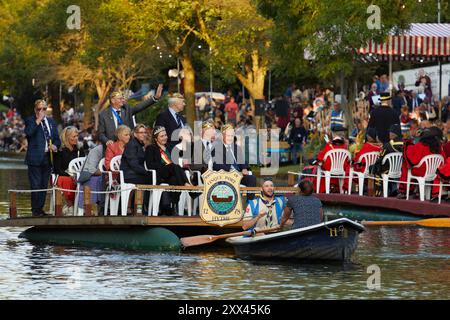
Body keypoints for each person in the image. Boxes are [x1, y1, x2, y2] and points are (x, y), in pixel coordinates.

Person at [24, 99, 61, 217]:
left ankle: (40, 209)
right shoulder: (30, 120)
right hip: (35, 158)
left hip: (47, 157)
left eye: (44, 109)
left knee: (44, 185)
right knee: (35, 185)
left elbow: (57, 138)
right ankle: (35, 210)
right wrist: (38, 120)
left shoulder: (51, 121)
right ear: (35, 109)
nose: (42, 111)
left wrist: (55, 145)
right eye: (39, 109)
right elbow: (28, 133)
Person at [145, 126, 191, 215]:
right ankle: (187, 184)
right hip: (159, 174)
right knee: (174, 166)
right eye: (162, 136)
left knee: (175, 179)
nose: (165, 137)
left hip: (171, 174)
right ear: (155, 138)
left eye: (165, 135)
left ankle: (171, 206)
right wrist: (165, 165)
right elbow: (149, 164)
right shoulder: (151, 148)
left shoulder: (169, 147)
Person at [98, 84, 163, 147]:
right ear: (113, 100)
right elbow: (101, 134)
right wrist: (107, 141)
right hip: (112, 147)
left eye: (123, 98)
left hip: (128, 147)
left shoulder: (127, 109)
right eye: (120, 99)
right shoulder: (103, 114)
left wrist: (155, 98)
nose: (123, 100)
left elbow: (140, 106)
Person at [397, 127, 445, 199]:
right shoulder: (439, 147)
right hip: (435, 173)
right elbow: (443, 160)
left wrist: (409, 142)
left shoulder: (421, 145)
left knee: (406, 166)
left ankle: (405, 191)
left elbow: (412, 159)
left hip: (421, 172)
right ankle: (417, 191)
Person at [213, 123, 257, 200]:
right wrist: (232, 172)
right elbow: (217, 165)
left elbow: (243, 161)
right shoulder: (217, 149)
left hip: (239, 175)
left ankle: (250, 204)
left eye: (232, 136)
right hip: (227, 175)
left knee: (252, 178)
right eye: (228, 136)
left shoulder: (236, 148)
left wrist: (244, 168)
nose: (230, 138)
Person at [120, 124, 152, 213]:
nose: (143, 134)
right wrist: (145, 172)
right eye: (141, 132)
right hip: (129, 174)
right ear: (135, 134)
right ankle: (140, 207)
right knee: (149, 178)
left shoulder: (140, 145)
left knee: (153, 178)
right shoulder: (131, 145)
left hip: (135, 172)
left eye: (144, 132)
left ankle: (142, 207)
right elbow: (133, 164)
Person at [54, 126, 85, 215]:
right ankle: (70, 204)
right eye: (73, 136)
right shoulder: (60, 150)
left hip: (78, 175)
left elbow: (84, 164)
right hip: (63, 175)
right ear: (67, 137)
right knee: (66, 180)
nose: (76, 139)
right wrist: (70, 175)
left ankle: (82, 206)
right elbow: (57, 169)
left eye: (77, 136)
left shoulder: (79, 149)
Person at [370, 124, 404, 197]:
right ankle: (393, 189)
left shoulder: (388, 145)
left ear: (393, 134)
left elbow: (381, 157)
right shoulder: (405, 143)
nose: (389, 134)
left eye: (390, 132)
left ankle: (378, 192)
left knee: (376, 168)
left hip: (388, 170)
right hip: (401, 169)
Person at [77, 143, 104, 215]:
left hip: (104, 175)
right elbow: (91, 169)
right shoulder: (97, 150)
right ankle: (89, 208)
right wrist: (105, 173)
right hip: (89, 174)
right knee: (95, 181)